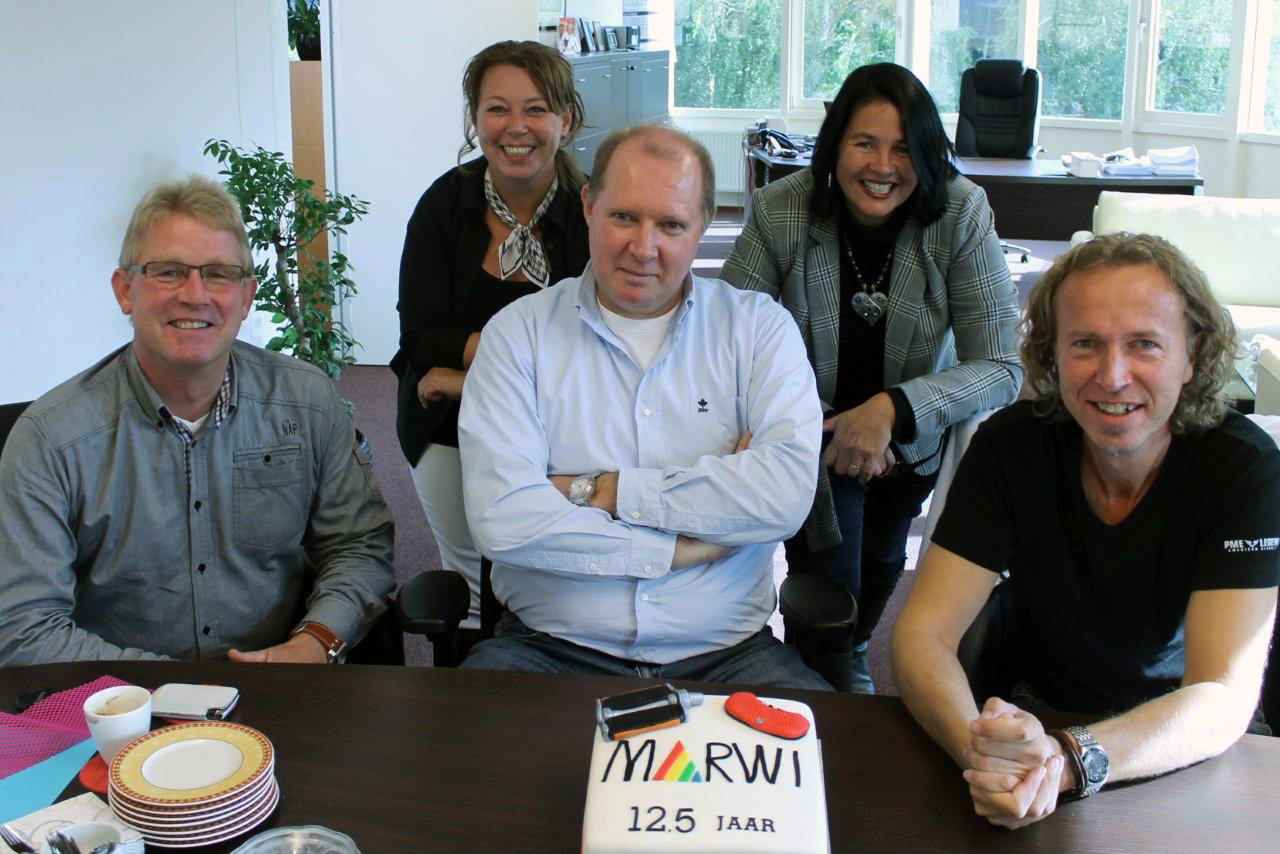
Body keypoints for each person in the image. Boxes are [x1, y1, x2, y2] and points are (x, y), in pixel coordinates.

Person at [891, 233, 1280, 827]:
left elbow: (1222, 695)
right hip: (1036, 715)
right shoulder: (1009, 448)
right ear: (1051, 354)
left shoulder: (1244, 469)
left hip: (1184, 736)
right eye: (1086, 344)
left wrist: (1071, 760)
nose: (1113, 375)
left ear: (1192, 355)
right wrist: (981, 754)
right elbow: (921, 635)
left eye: (1145, 344)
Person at [456, 126, 828, 689]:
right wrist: (680, 549)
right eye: (624, 217)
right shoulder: (518, 335)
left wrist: (603, 491)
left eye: (672, 225)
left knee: (831, 767)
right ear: (588, 205)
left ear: (703, 224)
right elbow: (503, 519)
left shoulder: (759, 331)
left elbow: (783, 497)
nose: (644, 248)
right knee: (461, 767)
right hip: (549, 647)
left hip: (728, 655)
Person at [0, 176, 396, 666]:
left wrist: (316, 641)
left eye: (219, 273)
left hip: (286, 687)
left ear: (247, 295)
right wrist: (180, 694)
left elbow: (359, 546)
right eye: (168, 272)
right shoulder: (51, 439)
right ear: (126, 291)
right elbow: (25, 627)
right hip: (126, 709)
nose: (195, 294)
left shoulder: (307, 401)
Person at [720, 63, 1022, 692]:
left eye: (905, 148)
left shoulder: (960, 214)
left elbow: (1001, 365)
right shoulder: (784, 208)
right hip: (809, 433)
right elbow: (725, 338)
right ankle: (827, 678)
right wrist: (821, 425)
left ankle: (844, 654)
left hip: (910, 436)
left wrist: (891, 411)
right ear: (835, 146)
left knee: (886, 558)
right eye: (864, 143)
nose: (883, 165)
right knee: (830, 578)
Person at [391, 40, 590, 628]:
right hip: (444, 423)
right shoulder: (442, 206)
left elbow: (601, 345)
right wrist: (500, 369)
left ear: (566, 118)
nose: (516, 128)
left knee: (551, 577)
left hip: (564, 423)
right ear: (475, 119)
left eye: (535, 109)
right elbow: (419, 336)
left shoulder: (595, 209)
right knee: (475, 586)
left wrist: (463, 376)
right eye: (497, 109)